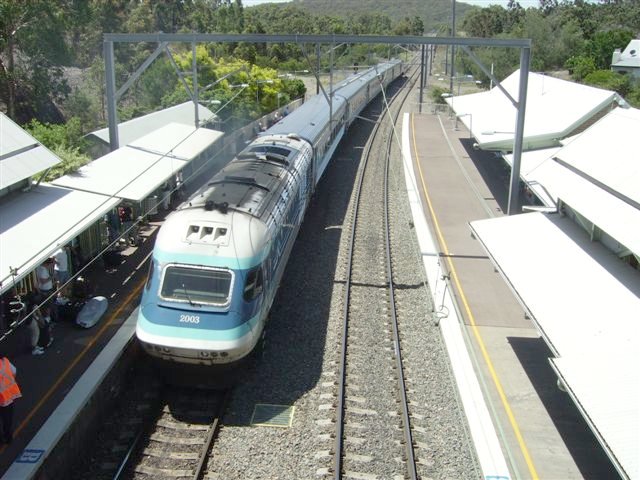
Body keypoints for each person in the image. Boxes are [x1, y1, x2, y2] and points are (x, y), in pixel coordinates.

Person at [0, 356, 21, 444]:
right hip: (8, 396)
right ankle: (8, 437)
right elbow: (14, 371)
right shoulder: (5, 361)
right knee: (7, 419)